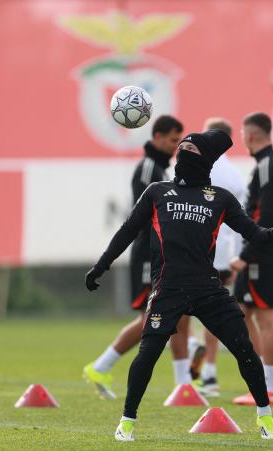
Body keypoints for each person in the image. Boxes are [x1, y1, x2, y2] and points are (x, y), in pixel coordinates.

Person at [85, 129, 273, 441]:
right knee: (148, 352)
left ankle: (265, 417)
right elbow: (127, 230)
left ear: (205, 161)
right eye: (180, 148)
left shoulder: (220, 198)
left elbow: (252, 232)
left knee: (244, 349)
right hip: (168, 287)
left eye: (190, 149)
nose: (182, 153)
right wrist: (101, 265)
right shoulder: (157, 192)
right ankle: (127, 422)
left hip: (208, 288)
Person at [83, 115, 200, 398]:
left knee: (178, 315)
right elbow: (145, 217)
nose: (176, 146)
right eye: (173, 140)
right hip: (149, 254)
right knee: (154, 318)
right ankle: (101, 366)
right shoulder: (149, 169)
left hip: (162, 254)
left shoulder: (162, 169)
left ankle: (184, 383)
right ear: (157, 137)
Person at [230, 113, 273, 406]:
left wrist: (245, 256)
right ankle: (261, 382)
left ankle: (270, 388)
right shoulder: (265, 166)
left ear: (250, 136)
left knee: (265, 316)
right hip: (259, 253)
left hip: (262, 256)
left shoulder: (268, 166)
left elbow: (264, 218)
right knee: (241, 311)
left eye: (242, 134)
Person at [193, 117, 246, 398]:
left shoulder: (197, 169)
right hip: (223, 257)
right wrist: (237, 258)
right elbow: (241, 222)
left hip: (195, 253)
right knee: (213, 314)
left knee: (176, 308)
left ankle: (189, 360)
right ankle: (210, 372)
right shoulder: (236, 176)